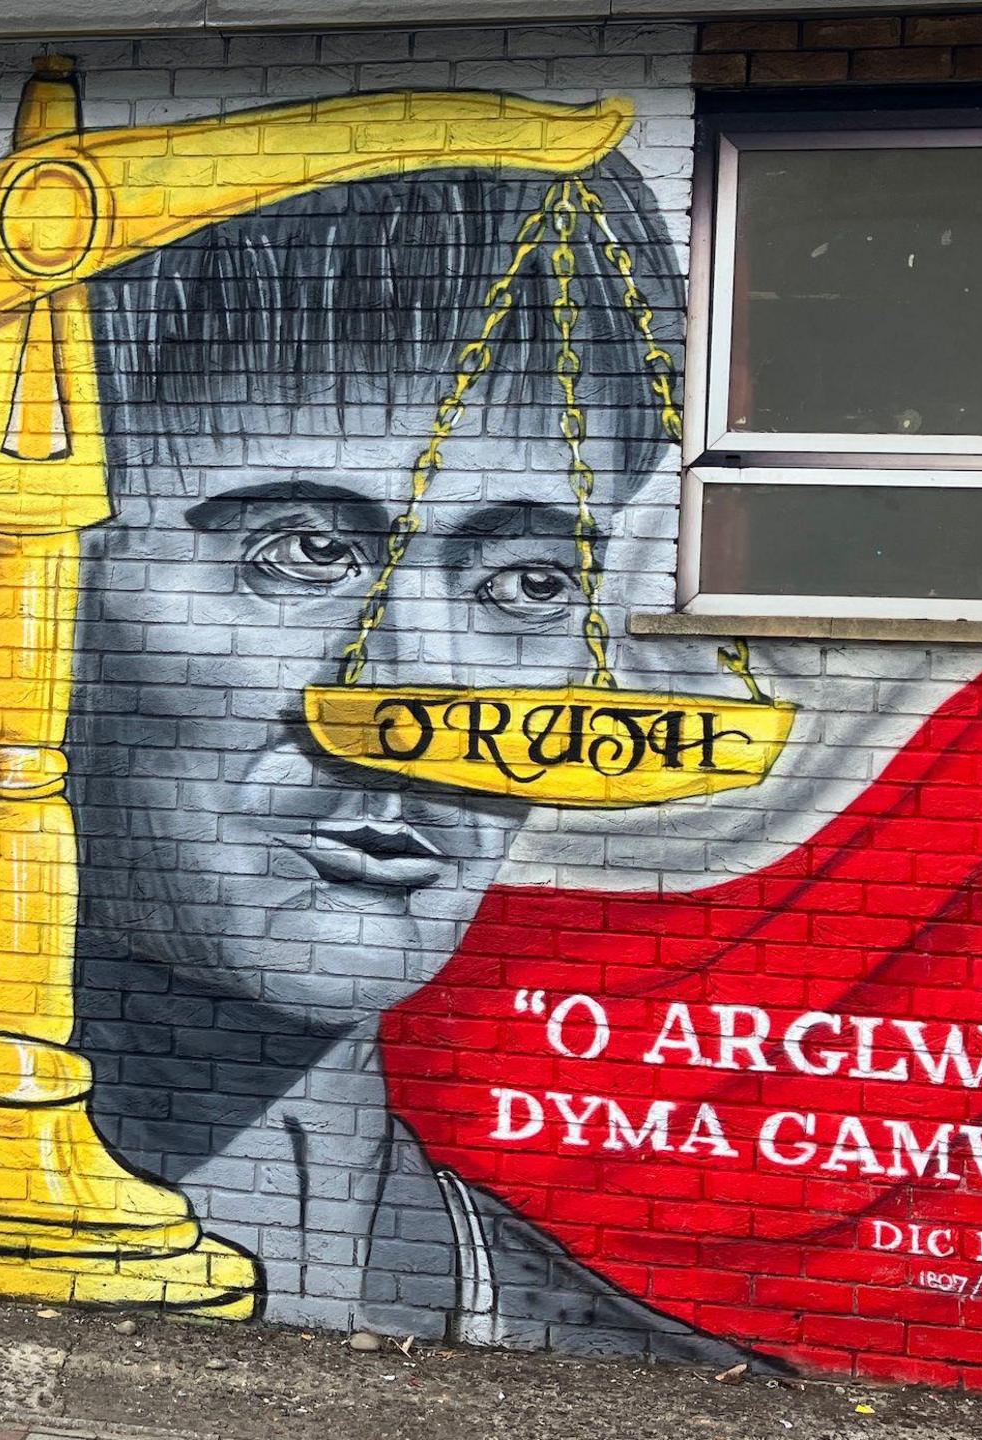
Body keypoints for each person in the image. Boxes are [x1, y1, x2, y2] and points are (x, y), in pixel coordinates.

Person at [60, 161, 755, 1359]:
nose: (417, 697)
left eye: (529, 584)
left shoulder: (621, 1371)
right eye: (300, 551)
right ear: (29, 609)